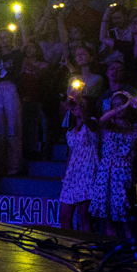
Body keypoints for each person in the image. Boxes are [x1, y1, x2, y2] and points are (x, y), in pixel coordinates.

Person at [90, 92, 137, 237]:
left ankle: (130, 254)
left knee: (126, 219)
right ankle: (111, 252)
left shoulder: (135, 128)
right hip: (106, 174)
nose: (119, 108)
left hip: (124, 174)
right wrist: (121, 107)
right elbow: (101, 120)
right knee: (108, 220)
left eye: (122, 103)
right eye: (115, 104)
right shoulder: (107, 126)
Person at [58, 96, 99, 231]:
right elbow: (70, 153)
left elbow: (92, 127)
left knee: (84, 217)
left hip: (87, 171)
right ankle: (68, 245)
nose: (77, 106)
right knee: (64, 216)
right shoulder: (70, 130)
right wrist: (65, 175)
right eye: (76, 105)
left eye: (82, 104)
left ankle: (86, 248)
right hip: (72, 174)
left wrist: (82, 112)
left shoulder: (92, 123)